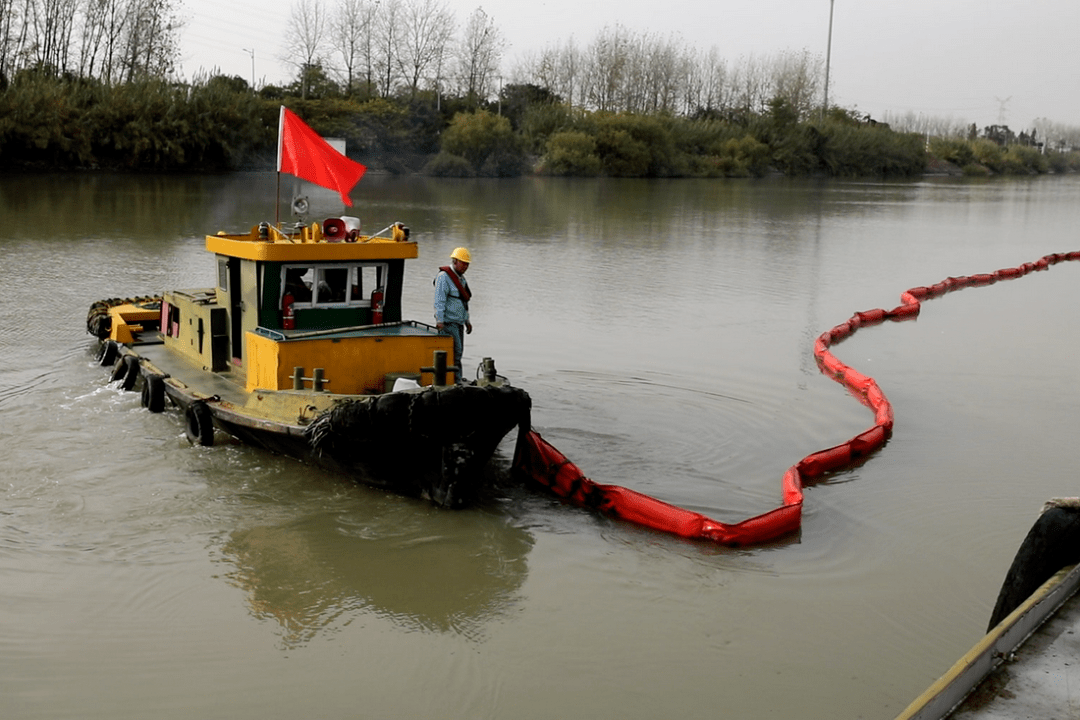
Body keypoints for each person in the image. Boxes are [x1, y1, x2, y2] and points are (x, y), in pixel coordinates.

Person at [433, 247, 473, 383]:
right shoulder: (444, 277)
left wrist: (467, 321)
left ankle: (457, 378)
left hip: (459, 322)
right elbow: (439, 300)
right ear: (455, 261)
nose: (466, 266)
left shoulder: (460, 279)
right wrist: (440, 320)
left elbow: (464, 301)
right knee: (455, 352)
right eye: (463, 263)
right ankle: (454, 380)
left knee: (459, 352)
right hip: (449, 322)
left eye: (467, 264)